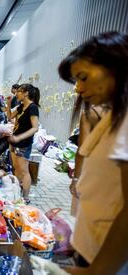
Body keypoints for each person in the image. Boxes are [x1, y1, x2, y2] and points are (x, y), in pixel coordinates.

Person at [58, 31, 128, 274]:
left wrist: (98, 270)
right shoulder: (113, 116)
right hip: (92, 249)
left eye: (84, 77)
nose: (79, 89)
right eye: (77, 81)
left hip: (107, 259)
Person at [6, 83, 40, 204]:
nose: (17, 93)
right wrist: (9, 104)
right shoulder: (21, 107)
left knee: (24, 171)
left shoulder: (32, 107)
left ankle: (25, 198)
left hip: (24, 144)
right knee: (16, 169)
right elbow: (10, 117)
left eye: (19, 91)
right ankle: (16, 193)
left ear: (26, 93)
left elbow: (35, 127)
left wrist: (19, 137)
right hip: (14, 143)